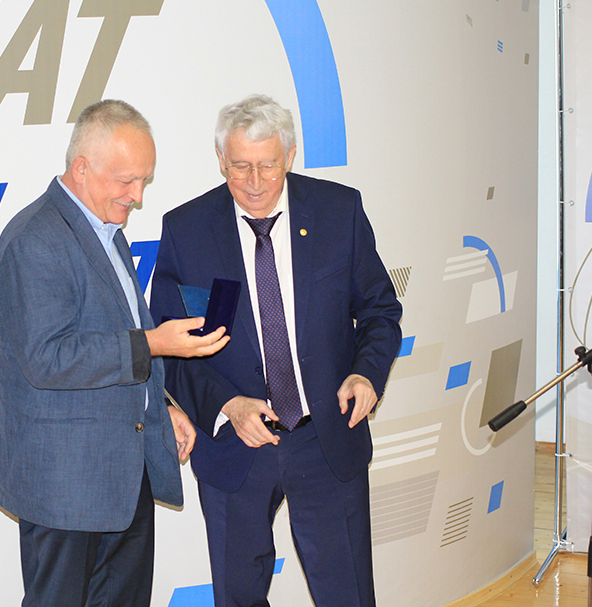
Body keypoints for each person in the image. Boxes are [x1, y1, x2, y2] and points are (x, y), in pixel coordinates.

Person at [149, 94, 403, 606]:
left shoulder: (339, 211)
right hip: (235, 447)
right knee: (239, 597)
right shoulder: (187, 229)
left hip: (326, 438)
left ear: (289, 155)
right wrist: (227, 405)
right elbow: (170, 348)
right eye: (240, 166)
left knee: (348, 595)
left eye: (267, 165)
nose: (255, 182)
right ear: (220, 160)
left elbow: (380, 310)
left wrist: (366, 374)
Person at [0, 99, 229, 607]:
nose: (137, 196)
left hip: (124, 477)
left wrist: (161, 405)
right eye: (126, 180)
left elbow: (118, 332)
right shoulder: (35, 240)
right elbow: (47, 359)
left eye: (144, 180)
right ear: (81, 168)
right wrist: (155, 343)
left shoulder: (106, 231)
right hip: (65, 489)